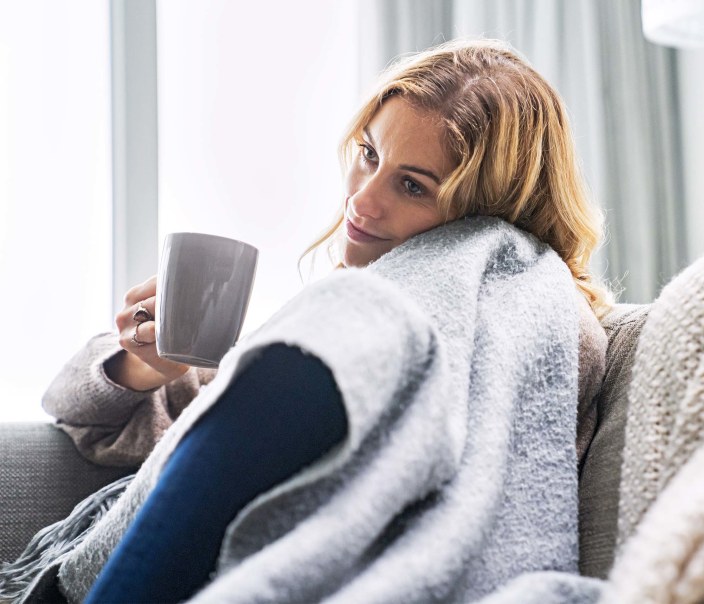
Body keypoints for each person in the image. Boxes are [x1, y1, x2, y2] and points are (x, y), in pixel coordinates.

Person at [24, 38, 611, 603]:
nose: (362, 200)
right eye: (370, 156)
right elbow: (76, 412)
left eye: (412, 186)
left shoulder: (523, 313)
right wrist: (145, 365)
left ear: (484, 219)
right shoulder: (336, 318)